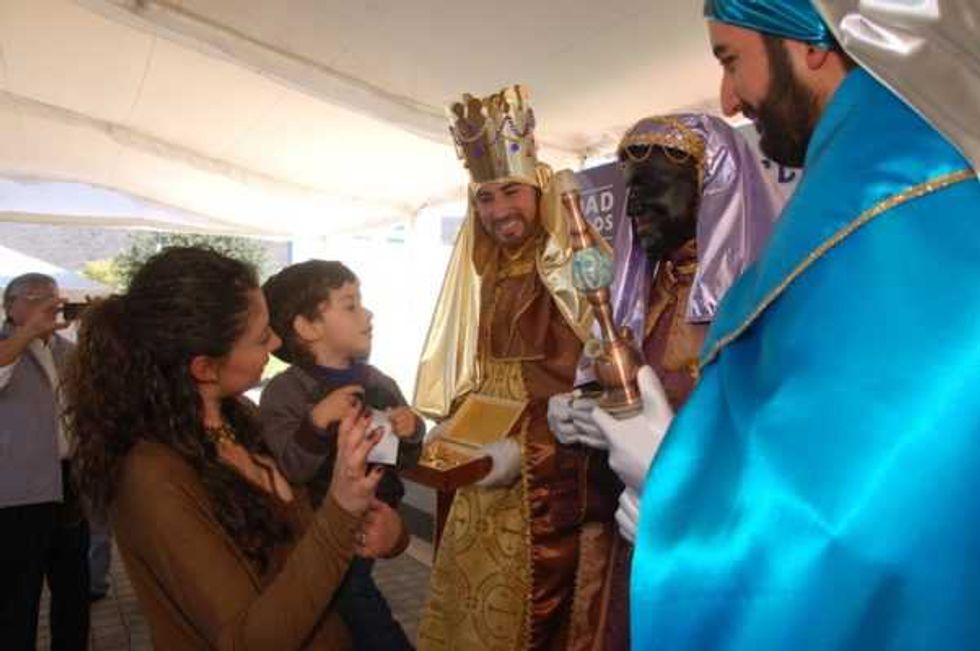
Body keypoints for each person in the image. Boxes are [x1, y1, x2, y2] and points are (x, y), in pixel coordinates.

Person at [592, 1, 980, 647]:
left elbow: (895, 504)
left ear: (812, 43)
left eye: (730, 59)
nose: (730, 99)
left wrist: (683, 487)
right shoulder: (872, 190)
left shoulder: (902, 211)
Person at [66, 247, 403, 649]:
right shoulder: (152, 476)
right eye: (262, 338)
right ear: (205, 368)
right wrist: (341, 510)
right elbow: (249, 639)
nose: (278, 341)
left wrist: (388, 533)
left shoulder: (242, 419)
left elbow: (303, 547)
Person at [547, 113, 779, 646]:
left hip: (713, 548)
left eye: (652, 189)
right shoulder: (640, 299)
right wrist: (579, 410)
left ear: (710, 187)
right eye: (630, 192)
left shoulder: (757, 304)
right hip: (630, 541)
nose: (633, 208)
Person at [414, 85, 622, 650]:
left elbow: (603, 382)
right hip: (482, 474)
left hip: (544, 475)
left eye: (510, 191)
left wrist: (524, 449)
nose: (498, 210)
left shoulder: (576, 263)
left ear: (538, 188)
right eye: (485, 198)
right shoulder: (488, 271)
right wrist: (454, 427)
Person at [260, 259, 422, 651]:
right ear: (307, 327)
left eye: (360, 301)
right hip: (320, 526)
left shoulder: (379, 383)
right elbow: (291, 468)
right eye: (349, 304)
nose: (367, 314)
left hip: (374, 519)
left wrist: (412, 431)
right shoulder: (286, 393)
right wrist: (316, 423)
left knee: (350, 597)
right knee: (351, 600)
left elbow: (406, 459)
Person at [0, 273, 90, 651]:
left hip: (69, 480)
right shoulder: (7, 346)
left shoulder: (64, 351)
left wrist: (95, 327)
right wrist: (27, 333)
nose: (49, 305)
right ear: (11, 306)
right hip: (18, 489)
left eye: (53, 298)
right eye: (37, 297)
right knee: (18, 593)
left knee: (74, 585)